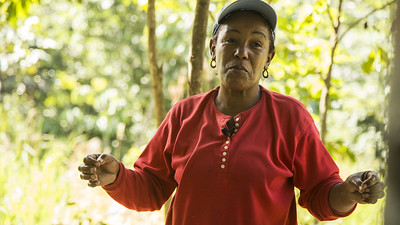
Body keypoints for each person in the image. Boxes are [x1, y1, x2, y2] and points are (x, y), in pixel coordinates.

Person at [78, 0, 385, 224]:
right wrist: (115, 177)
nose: (242, 52)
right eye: (231, 40)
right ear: (213, 48)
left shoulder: (290, 117)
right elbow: (150, 188)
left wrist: (348, 191)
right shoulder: (184, 115)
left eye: (256, 44)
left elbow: (320, 194)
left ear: (269, 58)